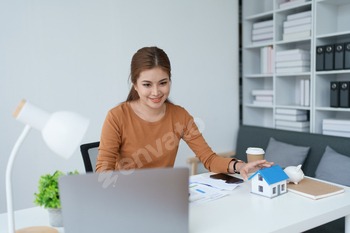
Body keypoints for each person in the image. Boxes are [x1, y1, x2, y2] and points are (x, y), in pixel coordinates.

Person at [95, 46, 273, 180]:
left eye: (163, 83)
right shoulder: (117, 116)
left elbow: (209, 159)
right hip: (126, 199)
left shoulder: (180, 116)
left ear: (170, 81)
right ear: (135, 84)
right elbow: (103, 173)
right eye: (147, 84)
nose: (156, 92)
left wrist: (240, 166)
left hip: (164, 197)